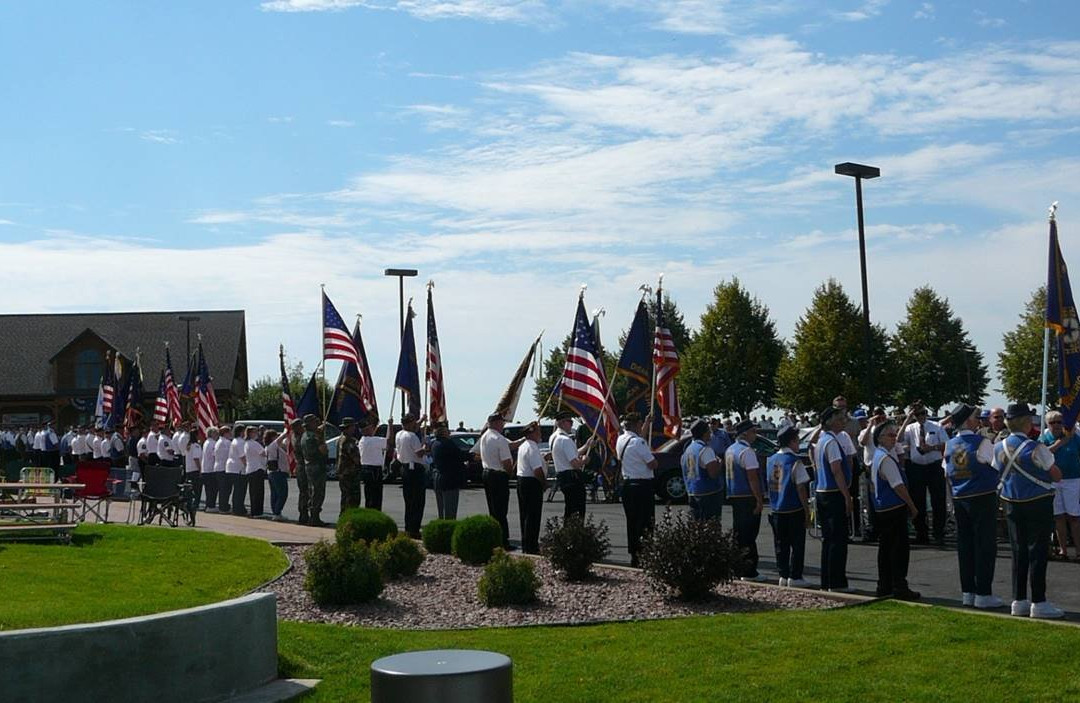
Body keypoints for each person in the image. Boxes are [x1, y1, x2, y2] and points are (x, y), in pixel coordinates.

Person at [993, 403, 1064, 618]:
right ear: (1025, 422)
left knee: (1018, 551)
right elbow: (1056, 474)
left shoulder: (998, 447)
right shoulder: (1035, 447)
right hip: (1037, 501)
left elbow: (997, 471)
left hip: (1011, 501)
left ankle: (1019, 599)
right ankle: (1039, 602)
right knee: (1037, 551)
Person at [944, 403, 1004, 609]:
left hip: (960, 498)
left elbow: (947, 471)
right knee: (985, 545)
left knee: (965, 546)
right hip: (982, 496)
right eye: (976, 417)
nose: (979, 420)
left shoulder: (949, 444)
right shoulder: (982, 442)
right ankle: (983, 593)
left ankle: (968, 591)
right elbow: (995, 466)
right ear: (969, 421)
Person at [871, 419, 921, 600]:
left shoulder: (879, 455)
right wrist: (912, 505)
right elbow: (898, 485)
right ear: (881, 438)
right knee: (899, 549)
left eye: (894, 434)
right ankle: (899, 585)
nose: (894, 438)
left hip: (883, 508)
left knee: (886, 549)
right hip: (893, 508)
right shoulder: (886, 458)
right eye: (891, 435)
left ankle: (885, 585)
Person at [814, 406, 854, 592]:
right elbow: (836, 470)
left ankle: (827, 580)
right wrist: (847, 496)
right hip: (833, 493)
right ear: (832, 421)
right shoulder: (831, 442)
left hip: (822, 492)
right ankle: (837, 582)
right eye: (840, 419)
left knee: (828, 539)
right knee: (838, 539)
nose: (843, 422)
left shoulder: (822, 441)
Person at [767, 425, 811, 587]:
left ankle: (783, 574)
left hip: (777, 508)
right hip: (793, 507)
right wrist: (807, 510)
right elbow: (800, 487)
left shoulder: (771, 460)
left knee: (780, 544)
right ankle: (795, 576)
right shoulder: (794, 461)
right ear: (792, 441)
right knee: (797, 544)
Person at [903, 403, 949, 546]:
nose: (921, 417)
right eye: (917, 414)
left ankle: (938, 532)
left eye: (923, 413)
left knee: (938, 500)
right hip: (917, 467)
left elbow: (947, 444)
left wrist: (932, 448)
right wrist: (907, 418)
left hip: (934, 465)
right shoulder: (910, 428)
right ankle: (921, 533)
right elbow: (899, 439)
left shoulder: (936, 426)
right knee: (918, 501)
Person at [725, 419, 765, 581]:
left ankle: (738, 567)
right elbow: (753, 478)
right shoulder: (746, 452)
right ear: (745, 433)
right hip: (747, 496)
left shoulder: (730, 449)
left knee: (739, 534)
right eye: (753, 431)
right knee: (749, 535)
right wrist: (759, 499)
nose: (755, 434)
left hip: (734, 495)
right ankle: (749, 571)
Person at [616, 413, 657, 568]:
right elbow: (652, 463)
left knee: (632, 522)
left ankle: (634, 554)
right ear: (636, 424)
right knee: (645, 522)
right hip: (642, 485)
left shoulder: (621, 439)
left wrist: (646, 423)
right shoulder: (639, 442)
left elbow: (639, 437)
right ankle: (644, 553)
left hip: (628, 485)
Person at [1040, 410, 1080, 560]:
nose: (1056, 425)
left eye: (1059, 422)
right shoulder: (1044, 437)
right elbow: (1041, 454)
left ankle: (1078, 550)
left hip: (1073, 479)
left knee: (1074, 516)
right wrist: (1059, 443)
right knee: (1059, 517)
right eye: (1052, 422)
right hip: (1053, 481)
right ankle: (1063, 550)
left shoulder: (1075, 436)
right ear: (1047, 424)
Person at [480, 412, 517, 549]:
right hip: (498, 475)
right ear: (496, 423)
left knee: (493, 510)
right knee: (501, 511)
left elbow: (512, 445)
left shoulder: (485, 436)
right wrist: (509, 473)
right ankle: (503, 541)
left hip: (487, 473)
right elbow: (506, 462)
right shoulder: (499, 439)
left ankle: (495, 538)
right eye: (502, 422)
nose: (503, 425)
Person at [682, 419, 723, 521]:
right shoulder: (705, 449)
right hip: (708, 494)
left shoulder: (688, 449)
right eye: (708, 430)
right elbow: (713, 473)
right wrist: (719, 463)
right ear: (704, 433)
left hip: (692, 492)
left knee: (696, 526)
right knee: (710, 527)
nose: (710, 433)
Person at [550, 411, 588, 519]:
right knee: (576, 510)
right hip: (571, 477)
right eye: (569, 421)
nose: (571, 424)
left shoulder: (554, 437)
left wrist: (586, 446)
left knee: (570, 509)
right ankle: (574, 533)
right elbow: (575, 464)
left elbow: (572, 453)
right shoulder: (565, 440)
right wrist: (584, 460)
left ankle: (568, 533)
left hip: (563, 476)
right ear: (562, 423)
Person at [395, 414, 428, 538]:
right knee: (417, 501)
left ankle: (409, 527)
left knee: (409, 500)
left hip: (404, 468)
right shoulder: (413, 436)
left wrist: (422, 420)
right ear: (409, 423)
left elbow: (414, 428)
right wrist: (425, 448)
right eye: (413, 422)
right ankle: (414, 529)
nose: (415, 425)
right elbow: (419, 453)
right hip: (415, 469)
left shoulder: (399, 434)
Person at [516, 422, 546, 554]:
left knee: (525, 514)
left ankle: (526, 544)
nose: (540, 434)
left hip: (522, 481)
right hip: (531, 483)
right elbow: (537, 470)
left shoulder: (524, 446)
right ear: (531, 433)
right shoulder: (532, 447)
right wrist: (544, 483)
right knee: (533, 516)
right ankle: (531, 546)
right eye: (537, 432)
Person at [431, 424, 466, 520]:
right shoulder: (447, 443)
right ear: (443, 432)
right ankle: (448, 530)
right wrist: (472, 456)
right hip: (449, 479)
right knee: (450, 511)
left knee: (441, 511)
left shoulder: (434, 443)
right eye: (447, 431)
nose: (449, 433)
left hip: (438, 479)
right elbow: (459, 455)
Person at [300, 415, 329, 526]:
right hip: (316, 466)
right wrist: (322, 440)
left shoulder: (305, 435)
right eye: (314, 422)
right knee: (318, 493)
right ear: (310, 424)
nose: (316, 424)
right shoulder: (312, 437)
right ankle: (314, 517)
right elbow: (322, 450)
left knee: (313, 491)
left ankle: (313, 516)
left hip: (310, 466)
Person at [357, 417, 386, 510]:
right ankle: (375, 513)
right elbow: (389, 441)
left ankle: (370, 511)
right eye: (370, 428)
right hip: (374, 470)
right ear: (365, 430)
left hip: (366, 468)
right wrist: (390, 425)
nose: (373, 429)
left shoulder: (362, 440)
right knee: (376, 496)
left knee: (369, 495)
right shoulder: (372, 440)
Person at [336, 417, 362, 512]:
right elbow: (355, 458)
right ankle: (349, 518)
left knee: (345, 496)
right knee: (353, 498)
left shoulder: (339, 439)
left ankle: (343, 516)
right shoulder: (349, 441)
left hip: (342, 472)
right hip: (350, 473)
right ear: (348, 427)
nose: (354, 428)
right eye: (352, 426)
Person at [287, 418, 308, 523]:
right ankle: (304, 515)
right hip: (303, 467)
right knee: (305, 492)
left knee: (303, 492)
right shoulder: (299, 438)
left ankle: (303, 514)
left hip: (300, 466)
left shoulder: (294, 436)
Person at [264, 429, 288, 521]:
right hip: (278, 472)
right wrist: (286, 430)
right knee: (282, 493)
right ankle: (277, 512)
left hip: (272, 472)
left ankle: (276, 512)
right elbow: (280, 439)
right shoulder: (273, 445)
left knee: (275, 493)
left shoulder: (268, 447)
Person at [243, 426, 266, 518]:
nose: (256, 434)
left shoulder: (247, 443)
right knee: (258, 492)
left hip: (250, 469)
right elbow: (263, 452)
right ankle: (257, 512)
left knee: (253, 492)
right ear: (250, 433)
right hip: (257, 468)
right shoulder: (254, 443)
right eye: (254, 432)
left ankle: (254, 511)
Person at [215, 425, 234, 513]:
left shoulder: (219, 441)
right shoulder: (226, 442)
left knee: (223, 489)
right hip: (223, 467)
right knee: (225, 489)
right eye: (229, 432)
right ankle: (224, 507)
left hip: (219, 466)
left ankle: (223, 505)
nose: (231, 434)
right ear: (225, 433)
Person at [184, 428, 202, 515]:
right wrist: (200, 469)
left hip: (189, 470)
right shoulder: (196, 446)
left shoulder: (188, 446)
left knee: (190, 489)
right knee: (197, 489)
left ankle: (189, 503)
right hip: (195, 470)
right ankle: (195, 504)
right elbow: (196, 458)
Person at [201, 427, 219, 511]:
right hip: (210, 469)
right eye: (216, 433)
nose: (217, 435)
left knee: (209, 489)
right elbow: (215, 455)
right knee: (212, 489)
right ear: (211, 434)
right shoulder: (213, 443)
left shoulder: (206, 442)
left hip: (206, 469)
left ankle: (209, 505)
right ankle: (211, 505)